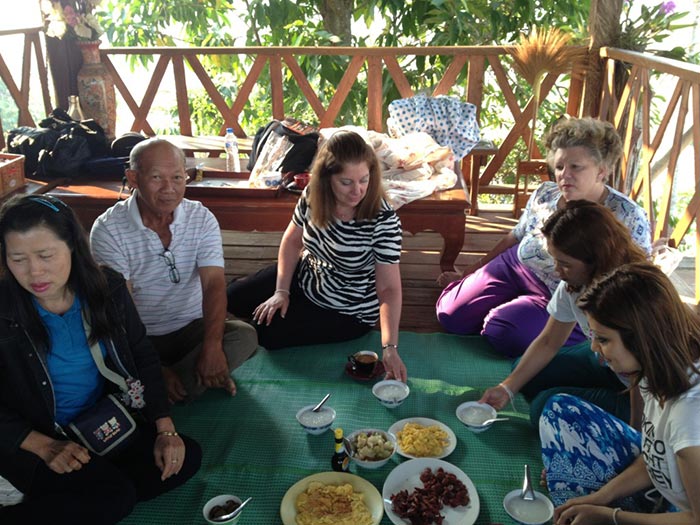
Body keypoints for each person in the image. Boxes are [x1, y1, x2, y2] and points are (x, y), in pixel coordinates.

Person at [0, 195, 201, 525]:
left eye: (45, 255)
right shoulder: (4, 310)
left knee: (184, 456)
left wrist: (165, 429)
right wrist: (46, 447)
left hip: (100, 420)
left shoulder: (106, 288)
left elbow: (142, 354)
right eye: (18, 259)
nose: (34, 271)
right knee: (115, 497)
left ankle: (83, 492)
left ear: (73, 248)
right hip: (33, 436)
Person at [436, 117, 651, 357]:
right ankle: (513, 307)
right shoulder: (545, 193)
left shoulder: (626, 214)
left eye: (575, 167)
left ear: (602, 170)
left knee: (501, 333)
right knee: (449, 315)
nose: (564, 176)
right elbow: (515, 235)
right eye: (559, 167)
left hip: (561, 290)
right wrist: (473, 270)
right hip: (517, 265)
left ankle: (560, 328)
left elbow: (636, 277)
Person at [227, 130, 407, 381]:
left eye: (364, 180)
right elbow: (291, 242)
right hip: (308, 276)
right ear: (326, 178)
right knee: (231, 297)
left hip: (348, 308)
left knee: (265, 333)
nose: (357, 191)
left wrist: (390, 348)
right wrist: (281, 291)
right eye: (346, 182)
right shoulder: (313, 193)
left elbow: (389, 289)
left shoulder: (383, 220)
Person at [90, 138, 258, 403]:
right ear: (133, 178)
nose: (169, 188)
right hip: (141, 335)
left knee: (244, 336)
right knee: (105, 353)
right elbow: (121, 310)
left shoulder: (200, 218)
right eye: (157, 177)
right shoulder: (109, 230)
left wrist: (212, 347)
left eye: (178, 177)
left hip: (190, 329)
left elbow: (213, 284)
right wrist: (153, 365)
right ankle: (176, 382)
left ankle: (155, 390)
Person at [541, 262, 700, 524]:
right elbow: (653, 457)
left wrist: (612, 516)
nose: (593, 347)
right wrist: (601, 497)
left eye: (603, 339)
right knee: (560, 411)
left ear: (641, 338)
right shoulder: (656, 370)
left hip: (685, 514)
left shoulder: (688, 414)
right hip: (668, 492)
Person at [479, 201, 648, 426]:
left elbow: (644, 374)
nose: (557, 271)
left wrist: (637, 435)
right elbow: (549, 340)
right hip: (606, 364)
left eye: (565, 264)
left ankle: (607, 401)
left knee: (544, 408)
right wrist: (507, 388)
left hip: (646, 393)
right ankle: (594, 391)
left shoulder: (635, 296)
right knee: (523, 373)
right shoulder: (575, 282)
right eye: (555, 260)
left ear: (596, 259)